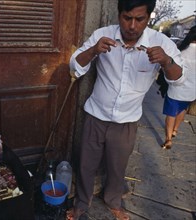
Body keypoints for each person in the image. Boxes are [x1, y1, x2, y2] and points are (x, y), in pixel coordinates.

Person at [68, 0, 185, 219]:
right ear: (118, 13)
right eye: (126, 17)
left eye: (139, 19)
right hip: (96, 115)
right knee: (86, 163)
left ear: (149, 17)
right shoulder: (103, 34)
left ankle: (113, 199)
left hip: (127, 121)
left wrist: (166, 62)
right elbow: (75, 66)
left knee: (117, 166)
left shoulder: (161, 42)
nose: (132, 25)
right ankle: (81, 203)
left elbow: (179, 80)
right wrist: (93, 50)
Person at [161, 26, 196, 149]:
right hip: (192, 91)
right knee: (182, 109)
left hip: (176, 88)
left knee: (171, 114)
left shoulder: (180, 50)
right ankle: (175, 130)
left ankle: (168, 139)